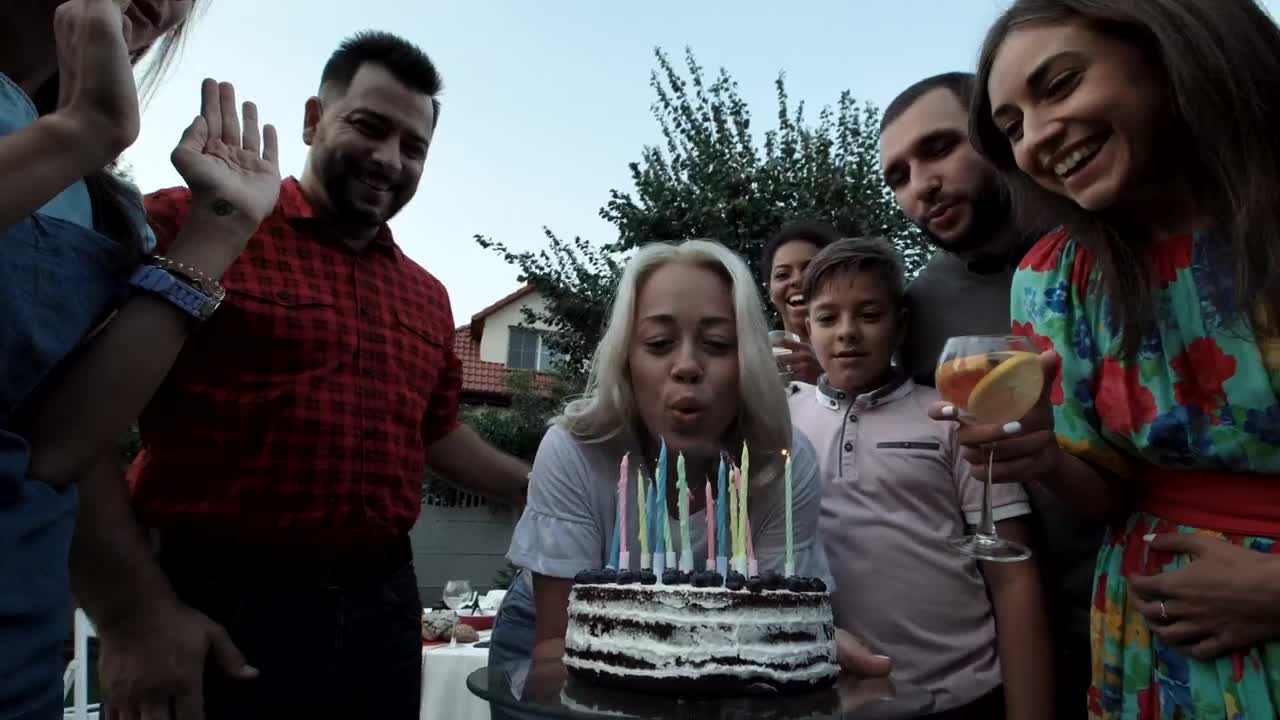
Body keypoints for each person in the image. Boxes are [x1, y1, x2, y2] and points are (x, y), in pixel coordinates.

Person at [70, 31, 530, 720]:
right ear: (314, 119)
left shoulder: (427, 296)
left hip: (384, 607)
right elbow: (70, 425)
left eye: (414, 147)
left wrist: (546, 484)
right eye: (369, 127)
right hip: (215, 602)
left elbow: (434, 434)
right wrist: (132, 612)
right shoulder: (190, 222)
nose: (389, 159)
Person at [955, 0, 1280, 717]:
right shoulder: (1055, 279)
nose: (1036, 139)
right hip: (1150, 653)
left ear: (1170, 45)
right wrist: (1044, 460)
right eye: (1010, 128)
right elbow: (1109, 489)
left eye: (1060, 84)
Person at [1, 1, 281, 718]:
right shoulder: (80, 140)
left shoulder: (101, 201)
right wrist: (79, 130)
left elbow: (60, 443)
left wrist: (217, 230)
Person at [489, 239, 888, 678]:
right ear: (626, 360)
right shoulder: (576, 450)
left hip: (719, 656)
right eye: (659, 343)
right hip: (555, 644)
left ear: (749, 360)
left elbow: (776, 629)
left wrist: (820, 642)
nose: (686, 366)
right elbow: (556, 645)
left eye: (717, 343)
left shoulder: (784, 462)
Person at [880, 72, 1101, 718]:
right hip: (1003, 645)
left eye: (941, 147)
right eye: (898, 176)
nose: (921, 184)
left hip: (1157, 610)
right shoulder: (920, 307)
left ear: (998, 136)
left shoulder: (1106, 245)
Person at [788, 238, 1051, 719]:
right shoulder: (781, 420)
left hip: (962, 696)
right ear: (807, 329)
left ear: (901, 324)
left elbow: (1013, 577)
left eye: (869, 315)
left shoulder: (953, 415)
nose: (847, 333)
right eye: (828, 318)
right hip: (828, 698)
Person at [761, 221, 839, 384]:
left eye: (810, 269)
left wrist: (826, 379)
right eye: (782, 275)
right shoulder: (756, 359)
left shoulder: (862, 355)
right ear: (770, 292)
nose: (797, 280)